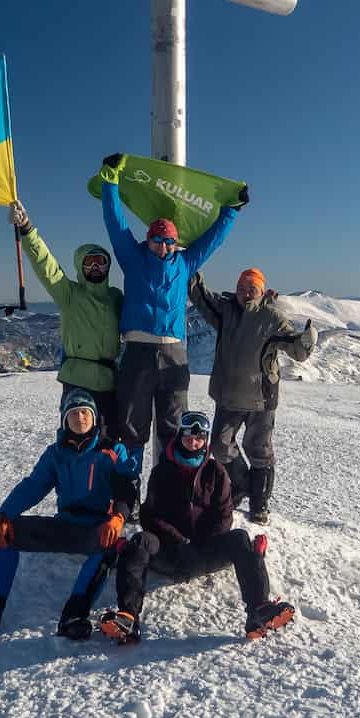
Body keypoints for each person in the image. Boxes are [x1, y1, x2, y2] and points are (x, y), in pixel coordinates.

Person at [98, 152, 245, 488]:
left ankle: (171, 491)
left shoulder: (185, 262)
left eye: (168, 240)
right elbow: (115, 222)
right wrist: (110, 181)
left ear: (175, 242)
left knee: (173, 426)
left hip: (174, 354)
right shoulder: (132, 257)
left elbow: (214, 240)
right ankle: (128, 493)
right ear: (148, 239)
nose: (162, 246)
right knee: (132, 426)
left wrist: (231, 211)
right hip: (137, 351)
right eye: (156, 239)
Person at [0, 390, 134, 639]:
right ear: (65, 420)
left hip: (98, 527)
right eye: (73, 414)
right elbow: (33, 486)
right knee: (7, 533)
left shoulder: (112, 450)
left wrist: (118, 518)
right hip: (65, 524)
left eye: (85, 413)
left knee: (108, 547)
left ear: (95, 418)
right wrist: (4, 515)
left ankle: (74, 615)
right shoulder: (55, 453)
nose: (80, 419)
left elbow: (126, 489)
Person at [97, 410, 296, 643]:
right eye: (189, 437)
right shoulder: (162, 471)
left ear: (206, 440)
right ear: (180, 437)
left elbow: (224, 514)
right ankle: (128, 617)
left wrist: (202, 542)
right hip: (170, 552)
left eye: (200, 438)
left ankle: (259, 610)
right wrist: (180, 541)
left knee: (240, 537)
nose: (194, 442)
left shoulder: (216, 471)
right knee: (140, 541)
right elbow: (150, 516)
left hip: (204, 552)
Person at [188, 267, 317, 523]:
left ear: (260, 292)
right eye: (241, 288)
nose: (246, 294)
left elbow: (296, 350)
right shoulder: (226, 310)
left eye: (252, 289)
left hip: (261, 397)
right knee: (220, 445)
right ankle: (243, 483)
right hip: (229, 395)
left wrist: (306, 340)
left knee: (258, 448)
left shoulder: (271, 318)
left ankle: (259, 503)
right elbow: (200, 296)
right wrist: (192, 264)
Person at [8, 200, 123, 423]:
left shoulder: (116, 297)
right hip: (77, 380)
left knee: (110, 440)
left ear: (108, 267)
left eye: (101, 262)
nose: (96, 267)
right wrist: (27, 229)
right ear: (80, 266)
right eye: (89, 263)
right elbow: (46, 265)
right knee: (76, 438)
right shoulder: (70, 294)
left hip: (109, 381)